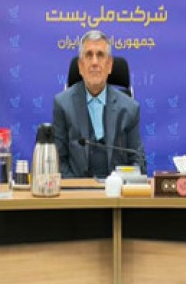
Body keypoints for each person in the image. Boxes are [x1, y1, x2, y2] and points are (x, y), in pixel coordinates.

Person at [52, 30, 144, 179]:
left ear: (109, 65)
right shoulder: (62, 105)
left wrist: (119, 185)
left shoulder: (130, 108)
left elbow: (137, 161)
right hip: (76, 190)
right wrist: (79, 189)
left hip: (117, 190)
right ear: (80, 66)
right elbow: (58, 162)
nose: (94, 62)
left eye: (100, 55)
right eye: (89, 55)